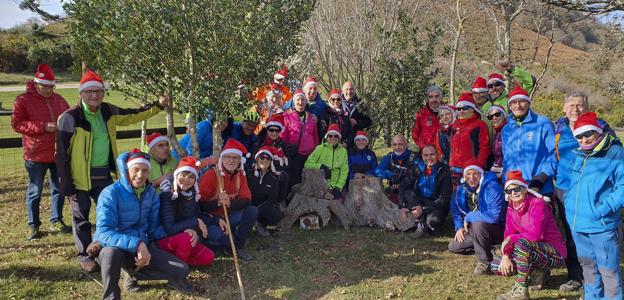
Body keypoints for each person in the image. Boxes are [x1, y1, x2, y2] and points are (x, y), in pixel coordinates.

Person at [56, 69, 169, 272]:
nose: (94, 95)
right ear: (81, 94)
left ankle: (106, 250)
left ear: (103, 93)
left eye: (98, 91)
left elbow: (133, 115)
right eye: (89, 91)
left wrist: (158, 105)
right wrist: (66, 184)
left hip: (103, 175)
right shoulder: (69, 118)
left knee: (111, 214)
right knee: (81, 217)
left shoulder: (108, 111)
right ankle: (84, 255)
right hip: (78, 178)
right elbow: (61, 155)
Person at [94, 150, 192, 299]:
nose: (140, 175)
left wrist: (184, 230)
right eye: (136, 170)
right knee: (110, 253)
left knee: (182, 270)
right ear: (127, 170)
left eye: (145, 170)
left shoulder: (151, 193)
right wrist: (138, 244)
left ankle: (132, 273)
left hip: (143, 248)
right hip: (117, 247)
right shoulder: (110, 193)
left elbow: (153, 229)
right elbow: (103, 232)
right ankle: (111, 295)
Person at [553, 92, 616, 293]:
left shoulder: (602, 127)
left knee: (596, 237)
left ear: (586, 108)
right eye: (571, 105)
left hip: (593, 192)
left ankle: (603, 283)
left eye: (580, 105)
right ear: (564, 108)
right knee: (572, 234)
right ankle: (576, 277)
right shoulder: (558, 128)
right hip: (565, 190)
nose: (575, 109)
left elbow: (615, 155)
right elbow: (552, 156)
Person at [563, 112, 624, 300]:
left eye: (588, 133)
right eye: (579, 136)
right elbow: (572, 184)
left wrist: (603, 208)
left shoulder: (614, 153)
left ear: (598, 132)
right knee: (588, 267)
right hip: (577, 224)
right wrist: (568, 202)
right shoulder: (579, 154)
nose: (584, 138)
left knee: (608, 270)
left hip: (601, 225)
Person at [11, 63, 71, 240]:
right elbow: (17, 124)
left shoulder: (59, 99)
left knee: (59, 188)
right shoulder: (22, 100)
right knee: (35, 190)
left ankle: (56, 220)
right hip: (35, 154)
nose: (48, 89)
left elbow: (68, 118)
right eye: (44, 86)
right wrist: (43, 127)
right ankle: (34, 225)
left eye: (51, 86)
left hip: (57, 153)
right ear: (36, 84)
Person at [491, 170, 566, 300]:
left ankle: (521, 290)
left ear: (525, 189)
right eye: (509, 191)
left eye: (517, 189)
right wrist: (506, 255)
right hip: (531, 250)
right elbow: (508, 233)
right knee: (496, 265)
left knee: (521, 243)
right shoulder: (511, 208)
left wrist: (511, 239)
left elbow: (535, 235)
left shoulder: (538, 204)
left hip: (554, 252)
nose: (513, 193)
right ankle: (539, 272)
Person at [198, 139, 258, 261]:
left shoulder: (241, 175)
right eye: (228, 157)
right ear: (222, 159)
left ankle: (238, 245)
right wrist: (218, 202)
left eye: (235, 158)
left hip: (229, 216)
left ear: (240, 160)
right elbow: (200, 205)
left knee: (252, 211)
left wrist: (230, 203)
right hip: (211, 219)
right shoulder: (211, 175)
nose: (231, 160)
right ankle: (221, 243)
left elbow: (247, 200)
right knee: (225, 241)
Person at [158, 156, 217, 267]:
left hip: (184, 237)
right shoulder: (167, 195)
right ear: (176, 176)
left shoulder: (192, 195)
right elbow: (169, 229)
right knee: (187, 238)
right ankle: (178, 271)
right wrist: (195, 222)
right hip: (166, 240)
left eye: (191, 177)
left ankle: (174, 262)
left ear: (195, 181)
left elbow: (199, 215)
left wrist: (218, 220)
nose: (186, 179)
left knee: (208, 257)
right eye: (183, 175)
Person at [448, 162, 506, 275]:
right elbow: (455, 208)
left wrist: (469, 217)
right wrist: (459, 227)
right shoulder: (461, 189)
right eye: (468, 174)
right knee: (454, 246)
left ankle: (485, 262)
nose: (472, 177)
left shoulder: (492, 187)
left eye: (475, 174)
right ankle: (492, 248)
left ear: (481, 174)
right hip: (474, 231)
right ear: (464, 176)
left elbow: (494, 216)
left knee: (477, 223)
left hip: (497, 228)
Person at [501, 86, 556, 197]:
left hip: (540, 187)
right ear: (509, 106)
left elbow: (555, 154)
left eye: (522, 101)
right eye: (513, 102)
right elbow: (506, 159)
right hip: (514, 188)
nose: (518, 106)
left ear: (528, 103)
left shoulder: (543, 123)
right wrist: (505, 180)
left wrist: (541, 178)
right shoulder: (506, 129)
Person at [398, 144, 451, 238]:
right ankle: (421, 224)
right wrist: (402, 206)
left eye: (432, 154)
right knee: (408, 193)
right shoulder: (417, 168)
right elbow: (403, 186)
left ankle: (421, 225)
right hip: (419, 200)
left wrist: (423, 209)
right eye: (426, 155)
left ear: (437, 155)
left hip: (436, 203)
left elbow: (444, 198)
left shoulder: (444, 171)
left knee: (433, 221)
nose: (429, 158)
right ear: (422, 156)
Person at [448, 92, 490, 186]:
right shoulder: (455, 125)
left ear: (472, 109)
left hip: (471, 169)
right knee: (456, 195)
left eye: (465, 108)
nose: (461, 111)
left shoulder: (479, 124)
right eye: (459, 109)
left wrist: (478, 165)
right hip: (454, 168)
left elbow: (485, 147)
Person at [281, 89, 319, 188]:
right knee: (294, 180)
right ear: (293, 101)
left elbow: (315, 136)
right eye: (298, 99)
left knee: (307, 182)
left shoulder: (311, 117)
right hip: (294, 154)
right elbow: (283, 135)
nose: (300, 102)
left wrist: (316, 152)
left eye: (302, 99)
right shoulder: (287, 116)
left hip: (309, 155)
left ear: (306, 101)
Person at [246, 146, 288, 236]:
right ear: (257, 159)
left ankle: (260, 223)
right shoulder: (248, 173)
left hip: (264, 205)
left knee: (276, 214)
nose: (265, 160)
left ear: (271, 161)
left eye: (268, 158)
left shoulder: (273, 177)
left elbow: (272, 198)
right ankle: (250, 223)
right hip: (249, 203)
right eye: (262, 157)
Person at [304, 124, 349, 200]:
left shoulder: (343, 151)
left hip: (335, 187)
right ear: (327, 137)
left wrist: (338, 187)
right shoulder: (320, 148)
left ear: (339, 138)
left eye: (336, 136)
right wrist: (321, 167)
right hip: (320, 185)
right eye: (330, 136)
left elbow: (344, 171)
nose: (333, 138)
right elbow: (307, 164)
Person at [375, 134, 419, 205]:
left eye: (400, 144)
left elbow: (420, 172)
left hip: (411, 191)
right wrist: (391, 175)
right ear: (392, 145)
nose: (397, 147)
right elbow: (378, 171)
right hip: (394, 190)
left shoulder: (414, 157)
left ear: (406, 144)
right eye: (395, 144)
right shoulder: (389, 157)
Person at [411, 85, 443, 151]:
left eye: (436, 96)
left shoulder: (449, 112)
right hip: (427, 153)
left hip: (444, 153)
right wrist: (423, 147)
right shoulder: (421, 114)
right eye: (431, 97)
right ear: (427, 99)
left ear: (441, 97)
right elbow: (415, 134)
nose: (434, 99)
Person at [487, 105, 508, 178]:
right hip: (497, 170)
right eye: (491, 117)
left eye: (497, 114)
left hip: (507, 172)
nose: (494, 118)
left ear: (504, 115)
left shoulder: (509, 130)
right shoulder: (497, 132)